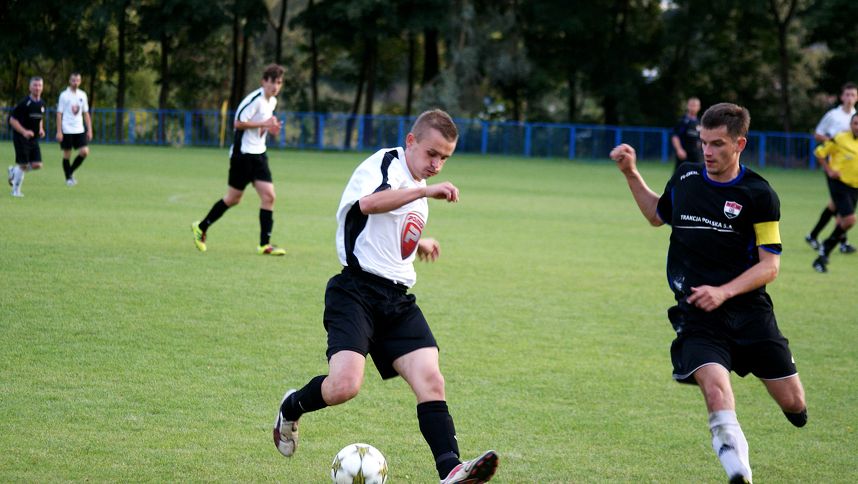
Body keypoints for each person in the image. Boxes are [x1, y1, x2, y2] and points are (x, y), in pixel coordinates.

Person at [272, 109, 499, 484]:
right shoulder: (385, 164)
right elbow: (369, 205)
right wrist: (426, 190)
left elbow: (383, 230)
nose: (437, 164)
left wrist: (416, 243)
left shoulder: (415, 187)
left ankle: (451, 470)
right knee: (344, 386)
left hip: (397, 299)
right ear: (411, 141)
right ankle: (291, 405)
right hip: (355, 291)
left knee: (432, 381)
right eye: (431, 154)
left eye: (445, 158)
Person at [610, 103, 807, 484]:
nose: (708, 152)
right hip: (697, 314)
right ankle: (740, 474)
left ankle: (786, 392)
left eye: (718, 144)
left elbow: (770, 266)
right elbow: (656, 215)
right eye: (704, 143)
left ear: (740, 144)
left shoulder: (759, 194)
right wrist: (631, 173)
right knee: (716, 389)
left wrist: (724, 291)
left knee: (795, 405)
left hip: (750, 313)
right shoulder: (685, 179)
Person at [191, 64, 286, 255]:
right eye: (272, 82)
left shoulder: (272, 102)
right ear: (263, 82)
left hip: (259, 154)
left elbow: (259, 129)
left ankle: (264, 245)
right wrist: (264, 123)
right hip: (242, 156)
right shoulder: (255, 100)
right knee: (233, 199)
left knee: (269, 196)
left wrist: (269, 128)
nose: (275, 86)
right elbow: (238, 123)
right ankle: (201, 227)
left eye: (279, 82)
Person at [805, 82, 858, 253]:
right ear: (842, 97)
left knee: (836, 205)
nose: (850, 98)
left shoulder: (856, 116)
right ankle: (841, 243)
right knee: (845, 209)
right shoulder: (833, 115)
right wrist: (835, 143)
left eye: (853, 95)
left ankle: (813, 235)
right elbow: (818, 134)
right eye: (847, 95)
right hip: (834, 167)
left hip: (849, 169)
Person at [811, 113, 858, 273]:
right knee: (850, 220)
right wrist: (829, 170)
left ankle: (817, 244)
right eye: (855, 123)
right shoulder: (839, 138)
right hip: (839, 183)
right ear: (851, 124)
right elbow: (819, 153)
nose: (857, 127)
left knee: (838, 214)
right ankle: (825, 248)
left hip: (854, 187)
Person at [7, 76, 47, 197]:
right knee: (23, 164)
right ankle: (15, 191)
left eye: (39, 85)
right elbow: (12, 120)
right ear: (30, 87)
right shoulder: (24, 103)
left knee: (37, 164)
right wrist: (24, 131)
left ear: (42, 87)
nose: (37, 88)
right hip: (21, 138)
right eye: (35, 85)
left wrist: (40, 129)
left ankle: (14, 171)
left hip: (33, 139)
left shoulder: (41, 103)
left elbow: (40, 118)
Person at [56, 72, 93, 186]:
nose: (75, 82)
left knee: (85, 152)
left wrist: (90, 129)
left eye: (77, 80)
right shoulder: (64, 95)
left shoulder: (82, 95)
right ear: (69, 81)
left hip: (79, 129)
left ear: (80, 81)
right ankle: (68, 179)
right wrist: (59, 131)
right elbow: (59, 113)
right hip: (67, 129)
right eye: (73, 80)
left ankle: (70, 172)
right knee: (67, 154)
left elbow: (86, 113)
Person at [671, 97, 703, 171]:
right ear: (688, 106)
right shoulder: (682, 121)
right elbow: (675, 136)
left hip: (697, 155)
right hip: (685, 153)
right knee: (680, 174)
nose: (693, 107)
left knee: (699, 174)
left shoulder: (700, 122)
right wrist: (679, 149)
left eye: (695, 105)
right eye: (691, 105)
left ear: (699, 107)